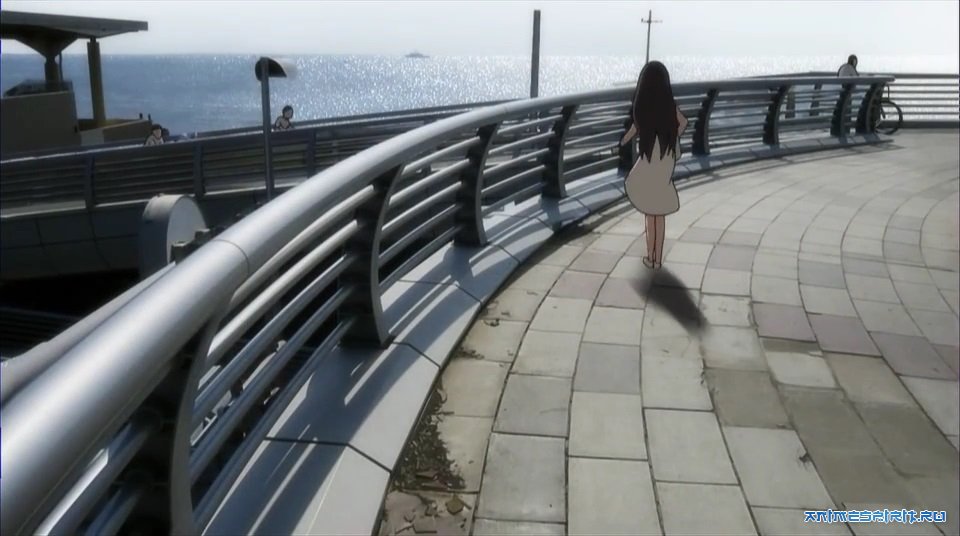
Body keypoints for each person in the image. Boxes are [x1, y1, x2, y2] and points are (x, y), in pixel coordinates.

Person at [620, 61, 688, 270]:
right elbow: (684, 122)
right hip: (666, 158)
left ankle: (650, 256)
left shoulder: (644, 107)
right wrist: (674, 135)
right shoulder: (669, 107)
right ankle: (658, 259)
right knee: (659, 213)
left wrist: (622, 142)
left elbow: (635, 128)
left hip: (650, 158)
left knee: (650, 212)